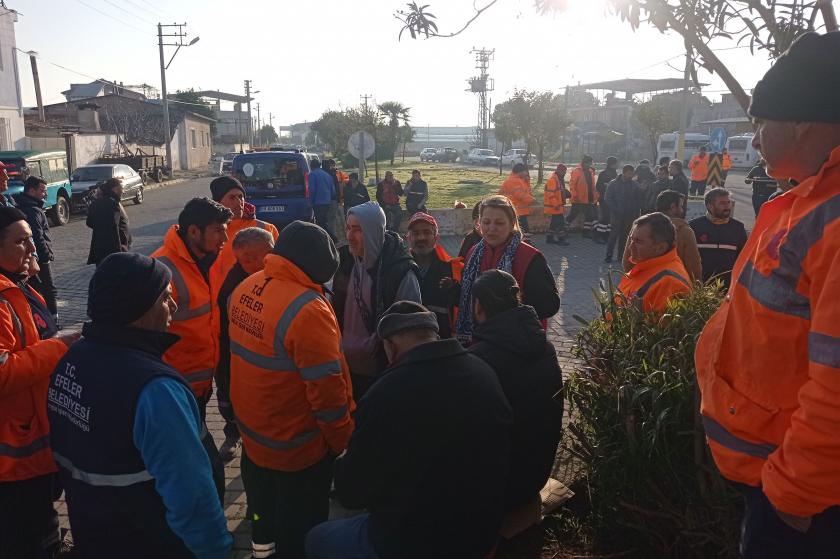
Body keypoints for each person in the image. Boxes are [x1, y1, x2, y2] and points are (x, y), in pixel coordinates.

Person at [696, 32, 840, 557]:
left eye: (759, 124)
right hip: (785, 483)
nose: (753, 141)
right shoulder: (810, 199)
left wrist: (791, 496)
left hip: (806, 506)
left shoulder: (831, 217)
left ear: (802, 120)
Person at [48, 253, 232, 559]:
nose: (173, 307)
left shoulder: (71, 362)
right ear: (138, 310)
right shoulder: (155, 389)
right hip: (152, 541)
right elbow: (191, 497)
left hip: (95, 533)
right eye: (165, 298)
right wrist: (215, 550)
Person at [306, 301, 512, 559]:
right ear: (435, 336)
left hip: (414, 542)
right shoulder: (484, 372)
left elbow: (351, 493)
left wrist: (344, 458)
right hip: (481, 535)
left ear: (390, 347)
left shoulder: (386, 394)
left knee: (317, 538)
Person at [229, 221, 354, 559]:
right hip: (298, 450)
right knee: (301, 528)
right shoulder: (309, 310)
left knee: (262, 515)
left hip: (254, 440)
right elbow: (327, 394)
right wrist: (342, 443)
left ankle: (261, 551)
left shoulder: (247, 287)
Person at [0, 207, 77, 559]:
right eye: (21, 241)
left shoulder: (20, 287)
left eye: (31, 237)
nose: (32, 247)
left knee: (40, 513)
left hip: (35, 435)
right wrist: (60, 346)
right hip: (13, 450)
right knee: (24, 529)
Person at [151, 198, 232, 499]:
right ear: (194, 232)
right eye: (218, 231)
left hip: (201, 384)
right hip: (176, 389)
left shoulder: (212, 260)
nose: (225, 238)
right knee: (198, 468)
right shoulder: (162, 269)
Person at [468, 270, 563, 517]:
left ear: (477, 307)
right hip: (536, 475)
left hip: (500, 489)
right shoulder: (546, 348)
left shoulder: (480, 361)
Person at [332, 201, 420, 398]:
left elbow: (409, 333)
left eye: (357, 230)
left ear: (373, 232)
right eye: (348, 228)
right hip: (346, 366)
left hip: (382, 372)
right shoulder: (346, 263)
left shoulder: (400, 273)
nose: (349, 236)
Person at [456, 195, 559, 344]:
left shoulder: (529, 256)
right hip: (479, 340)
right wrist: (454, 292)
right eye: (486, 222)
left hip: (519, 342)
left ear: (512, 224)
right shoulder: (473, 253)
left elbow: (549, 304)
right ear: (479, 224)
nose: (491, 228)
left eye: (499, 223)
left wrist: (507, 304)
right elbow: (470, 296)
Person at [214, 227, 275, 463]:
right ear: (248, 259)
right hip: (235, 359)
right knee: (232, 400)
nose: (274, 256)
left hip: (259, 362)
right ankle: (235, 435)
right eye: (268, 252)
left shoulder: (268, 273)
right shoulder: (234, 288)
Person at [209, 175, 279, 285]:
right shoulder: (210, 233)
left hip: (253, 297)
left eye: (241, 196)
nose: (239, 202)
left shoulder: (266, 229)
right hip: (219, 299)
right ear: (218, 203)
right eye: (232, 197)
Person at [618, 212, 691, 313]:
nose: (631, 247)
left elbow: (658, 327)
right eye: (631, 240)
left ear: (660, 247)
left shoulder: (669, 283)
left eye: (638, 242)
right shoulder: (645, 267)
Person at [624, 190, 702, 283]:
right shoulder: (684, 231)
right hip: (672, 287)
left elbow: (627, 262)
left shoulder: (640, 226)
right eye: (681, 206)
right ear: (673, 207)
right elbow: (694, 268)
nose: (682, 210)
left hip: (639, 286)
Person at [405, 212, 463, 338]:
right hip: (408, 340)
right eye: (415, 233)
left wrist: (454, 289)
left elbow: (465, 305)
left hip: (443, 341)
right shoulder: (399, 268)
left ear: (436, 238)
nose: (421, 237)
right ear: (408, 238)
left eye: (427, 232)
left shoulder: (454, 269)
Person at [15, 176, 58, 325]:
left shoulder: (26, 206)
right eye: (42, 191)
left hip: (31, 257)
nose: (44, 194)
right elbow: (37, 235)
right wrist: (45, 256)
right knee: (48, 289)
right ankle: (52, 321)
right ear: (31, 191)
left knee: (35, 289)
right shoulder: (33, 211)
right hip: (38, 258)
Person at [689, 188, 748, 289]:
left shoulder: (738, 227)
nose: (727, 206)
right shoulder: (694, 226)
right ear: (710, 206)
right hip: (700, 287)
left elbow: (744, 258)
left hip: (728, 287)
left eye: (728, 202)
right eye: (722, 203)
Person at [86, 178, 132, 266]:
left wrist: (100, 228)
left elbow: (89, 222)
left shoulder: (95, 204)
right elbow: (114, 229)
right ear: (115, 189)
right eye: (121, 188)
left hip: (99, 250)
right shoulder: (113, 204)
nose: (123, 191)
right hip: (113, 252)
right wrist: (119, 253)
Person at [605, 164, 642, 264]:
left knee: (624, 237)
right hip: (617, 216)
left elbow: (639, 199)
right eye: (629, 173)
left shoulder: (634, 185)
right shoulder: (613, 184)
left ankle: (620, 256)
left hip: (629, 216)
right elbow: (608, 198)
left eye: (632, 174)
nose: (631, 176)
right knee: (613, 236)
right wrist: (616, 209)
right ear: (624, 172)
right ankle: (608, 256)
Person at [567, 155, 599, 237]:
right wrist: (574, 195)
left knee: (588, 216)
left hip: (587, 198)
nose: (590, 165)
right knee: (573, 215)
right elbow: (572, 185)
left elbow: (592, 186)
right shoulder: (576, 171)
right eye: (589, 163)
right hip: (578, 199)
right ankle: (563, 229)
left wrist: (595, 196)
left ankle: (586, 232)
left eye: (591, 163)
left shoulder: (590, 171)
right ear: (584, 163)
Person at [499, 163, 535, 234]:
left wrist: (527, 181)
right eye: (525, 171)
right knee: (523, 231)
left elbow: (528, 192)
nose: (526, 173)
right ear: (520, 171)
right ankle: (526, 243)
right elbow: (520, 195)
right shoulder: (514, 181)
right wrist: (533, 200)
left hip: (518, 210)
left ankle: (525, 243)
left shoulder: (520, 180)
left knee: (522, 231)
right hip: (515, 210)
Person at [308, 159, 336, 240]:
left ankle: (332, 238)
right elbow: (333, 191)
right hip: (327, 202)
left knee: (320, 222)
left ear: (311, 166)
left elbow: (312, 189)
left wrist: (311, 201)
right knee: (324, 221)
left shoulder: (312, 175)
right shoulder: (327, 175)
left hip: (318, 202)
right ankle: (326, 238)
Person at [543, 163, 570, 245]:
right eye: (564, 172)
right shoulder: (553, 180)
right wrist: (556, 205)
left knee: (554, 223)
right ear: (559, 171)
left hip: (556, 206)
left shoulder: (557, 179)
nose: (565, 173)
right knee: (560, 223)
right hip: (555, 206)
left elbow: (558, 192)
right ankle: (561, 239)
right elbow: (551, 195)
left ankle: (549, 238)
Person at [593, 156, 619, 244]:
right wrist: (607, 187)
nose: (617, 165)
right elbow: (598, 187)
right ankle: (598, 235)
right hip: (604, 199)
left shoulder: (614, 174)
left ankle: (606, 235)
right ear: (613, 164)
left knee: (609, 218)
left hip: (611, 200)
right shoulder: (604, 174)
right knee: (605, 218)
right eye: (616, 163)